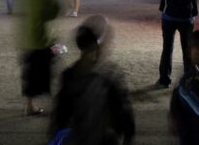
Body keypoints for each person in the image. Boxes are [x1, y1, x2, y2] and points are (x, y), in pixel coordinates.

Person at [49, 15, 135, 145]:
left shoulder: (68, 75)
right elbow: (123, 113)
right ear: (97, 46)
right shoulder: (109, 76)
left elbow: (60, 117)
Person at [15, 0, 60, 116]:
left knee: (29, 75)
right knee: (49, 68)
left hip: (25, 41)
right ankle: (51, 103)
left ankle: (29, 105)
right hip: (41, 42)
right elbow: (55, 10)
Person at [154, 0, 198, 88]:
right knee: (187, 49)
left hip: (169, 16)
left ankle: (164, 79)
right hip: (186, 16)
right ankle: (189, 79)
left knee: (167, 48)